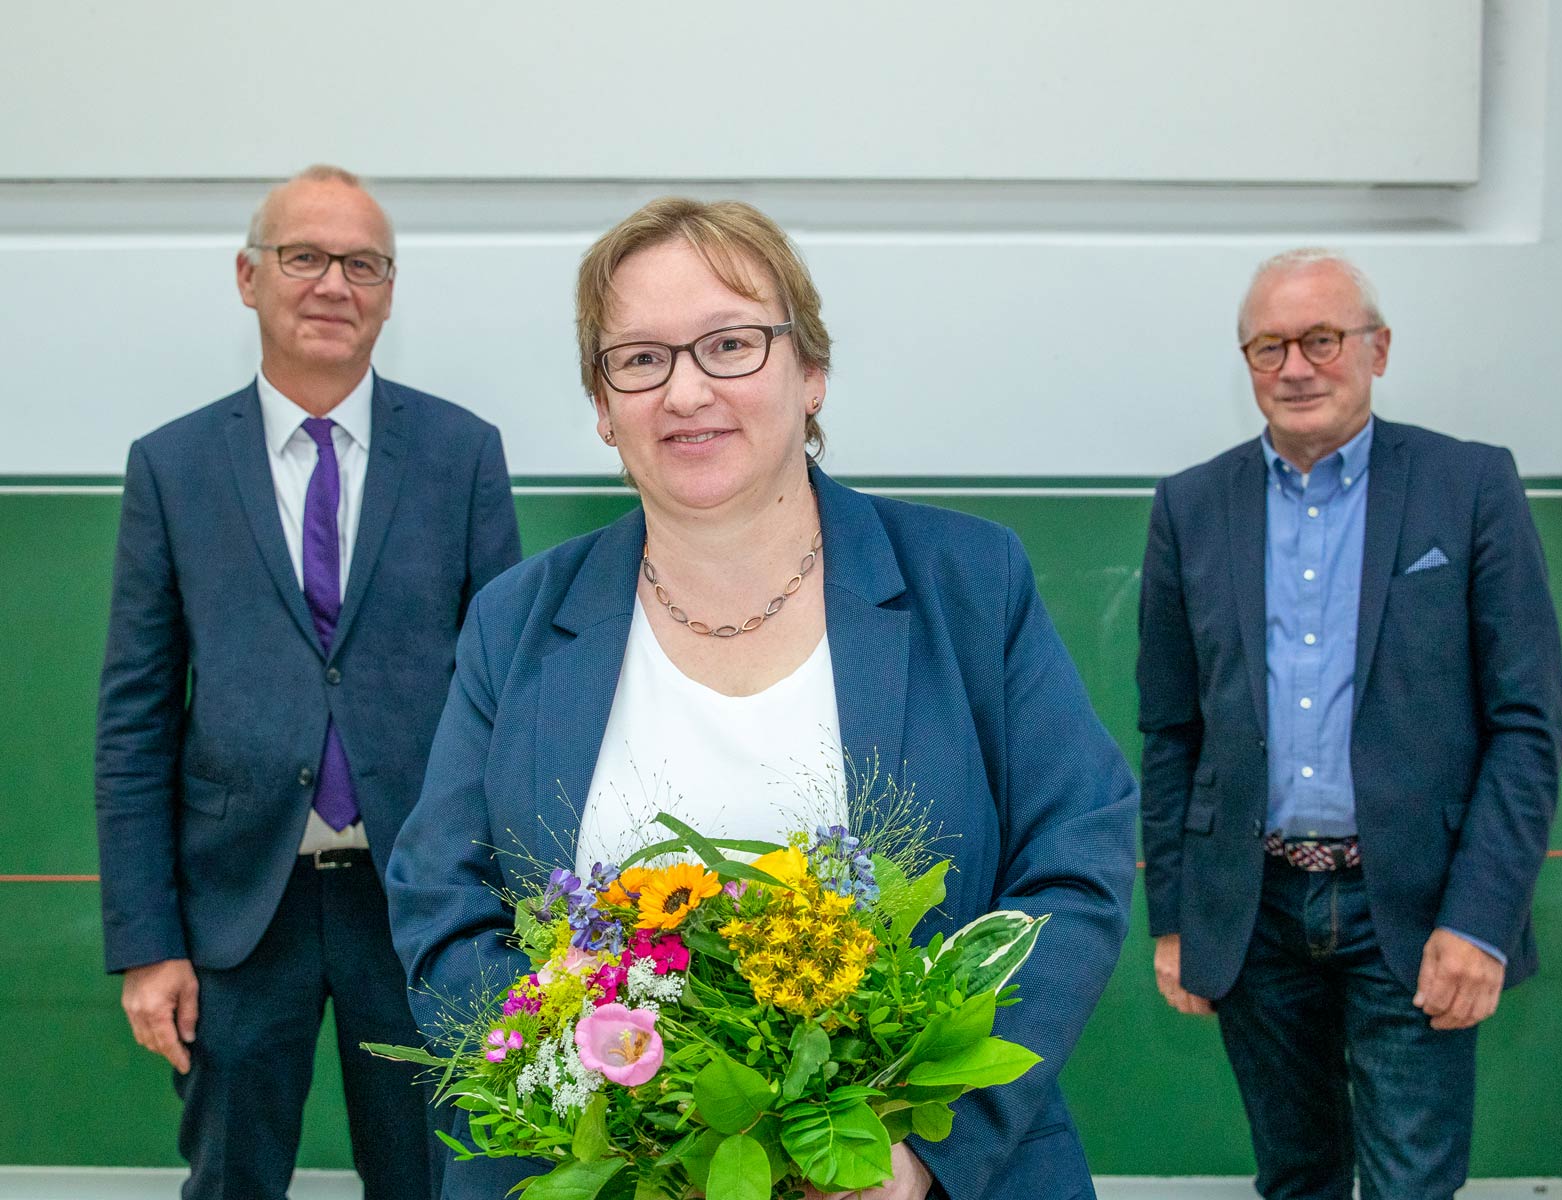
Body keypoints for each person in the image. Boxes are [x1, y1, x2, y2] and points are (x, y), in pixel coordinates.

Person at [386, 197, 1137, 1200]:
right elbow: (442, 908)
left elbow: (1074, 869)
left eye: (730, 344)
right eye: (641, 360)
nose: (686, 391)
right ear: (604, 406)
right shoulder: (516, 622)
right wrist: (614, 1122)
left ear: (810, 371)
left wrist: (912, 1157)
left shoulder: (971, 581)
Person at [94, 164, 522, 1199]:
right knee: (232, 1177)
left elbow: (509, 704)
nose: (336, 283)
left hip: (421, 904)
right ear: (249, 277)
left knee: (437, 1178)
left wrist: (514, 921)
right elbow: (136, 721)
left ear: (388, 289)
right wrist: (147, 945)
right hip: (239, 910)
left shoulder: (462, 454)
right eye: (306, 257)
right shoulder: (175, 466)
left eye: (364, 263)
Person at [1137, 248, 1562, 1199]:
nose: (1295, 368)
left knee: (1412, 1182)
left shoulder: (1470, 485)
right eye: (1267, 347)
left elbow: (1528, 725)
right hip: (1256, 912)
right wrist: (1174, 917)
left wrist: (1481, 924)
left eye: (1321, 340)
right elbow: (1172, 732)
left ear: (1377, 349)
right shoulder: (1191, 506)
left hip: (1415, 909)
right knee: (1297, 1178)